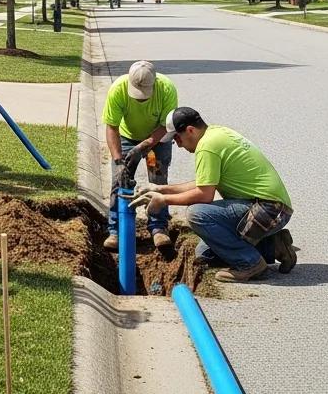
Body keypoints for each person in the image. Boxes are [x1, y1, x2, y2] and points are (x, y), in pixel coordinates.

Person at [130, 107, 296, 282]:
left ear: (190, 130)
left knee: (197, 215)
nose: (178, 144)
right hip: (270, 208)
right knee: (205, 254)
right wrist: (161, 189)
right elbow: (204, 183)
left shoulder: (207, 146)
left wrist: (164, 200)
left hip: (269, 209)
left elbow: (204, 195)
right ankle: (275, 246)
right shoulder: (215, 134)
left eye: (177, 138)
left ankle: (251, 265)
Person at [102, 61, 177, 251]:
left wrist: (143, 146)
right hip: (127, 138)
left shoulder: (166, 89)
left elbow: (165, 127)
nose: (141, 99)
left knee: (157, 178)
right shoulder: (118, 89)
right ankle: (116, 230)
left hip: (156, 143)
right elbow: (112, 127)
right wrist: (119, 160)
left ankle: (158, 227)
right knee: (120, 180)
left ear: (154, 83)